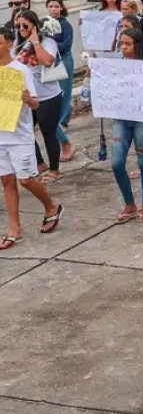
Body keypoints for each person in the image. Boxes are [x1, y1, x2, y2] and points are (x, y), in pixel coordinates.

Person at [0, 25, 64, 250]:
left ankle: (51, 205)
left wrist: (27, 99)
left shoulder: (21, 70)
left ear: (8, 44)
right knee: (7, 181)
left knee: (26, 179)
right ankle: (14, 229)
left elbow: (36, 103)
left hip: (19, 134)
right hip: (0, 136)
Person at [108, 28, 143, 223]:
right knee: (116, 162)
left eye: (128, 44)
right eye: (122, 44)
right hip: (121, 117)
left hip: (142, 118)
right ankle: (129, 202)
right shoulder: (115, 65)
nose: (124, 48)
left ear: (138, 45)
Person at [14, 11, 66, 183]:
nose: (21, 29)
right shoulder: (18, 44)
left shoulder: (48, 42)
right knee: (24, 131)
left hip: (48, 96)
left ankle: (54, 170)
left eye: (25, 25)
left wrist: (35, 41)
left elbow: (47, 61)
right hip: (28, 97)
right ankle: (40, 163)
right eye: (18, 25)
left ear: (34, 25)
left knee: (48, 133)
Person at [44, 0, 76, 162]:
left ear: (61, 8)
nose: (53, 9)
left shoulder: (65, 24)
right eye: (50, 6)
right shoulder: (45, 24)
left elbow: (67, 45)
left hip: (63, 60)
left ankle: (62, 120)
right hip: (50, 61)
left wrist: (50, 45)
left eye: (56, 6)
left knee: (64, 92)